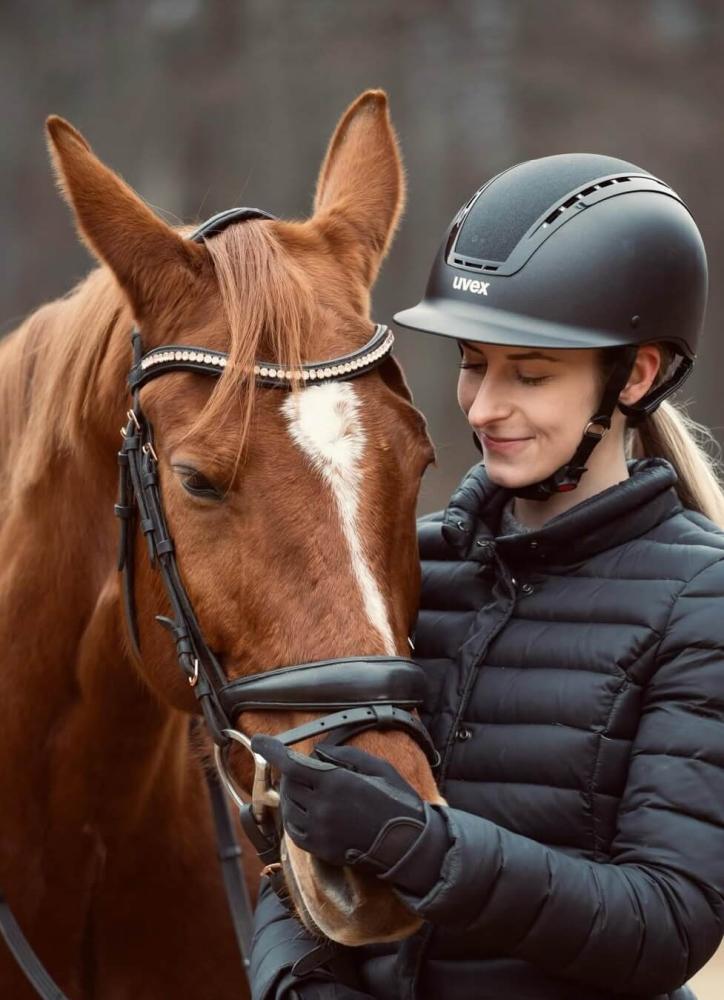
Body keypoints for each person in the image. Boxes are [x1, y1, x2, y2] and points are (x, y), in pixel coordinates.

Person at [248, 154, 724, 1000]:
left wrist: (419, 846)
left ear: (636, 375)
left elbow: (664, 923)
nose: (481, 406)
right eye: (474, 362)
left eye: (529, 374)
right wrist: (299, 979)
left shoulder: (702, 602)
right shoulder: (406, 566)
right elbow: (297, 843)